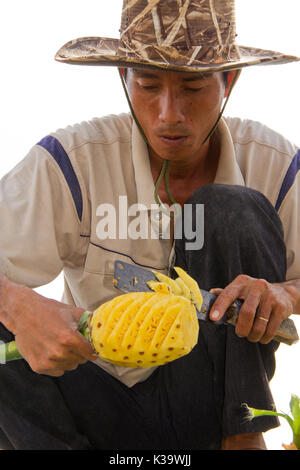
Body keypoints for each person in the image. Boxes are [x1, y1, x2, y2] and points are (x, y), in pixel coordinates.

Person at [0, 0, 299, 450]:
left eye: (193, 87)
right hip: (92, 396)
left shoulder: (274, 164)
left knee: (232, 208)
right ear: (124, 79)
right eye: (148, 85)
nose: (168, 114)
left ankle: (241, 435)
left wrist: (285, 292)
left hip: (209, 411)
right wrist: (17, 306)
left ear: (228, 82)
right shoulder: (69, 163)